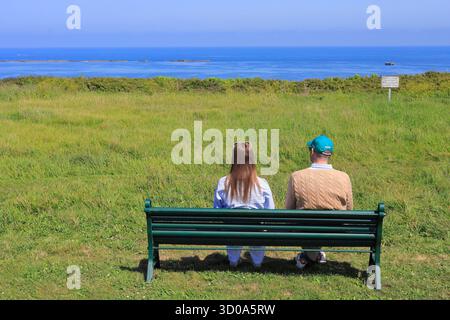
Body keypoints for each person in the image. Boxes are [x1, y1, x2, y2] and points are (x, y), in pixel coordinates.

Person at [285, 135, 353, 269]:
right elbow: (349, 209)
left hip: (304, 228)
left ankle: (309, 257)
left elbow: (288, 209)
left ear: (312, 151)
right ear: (329, 154)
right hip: (335, 229)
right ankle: (313, 256)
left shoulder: (297, 176)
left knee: (301, 221)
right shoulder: (344, 177)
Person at [214, 142, 275, 268]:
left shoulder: (223, 183)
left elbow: (216, 210)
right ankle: (257, 262)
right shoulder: (262, 184)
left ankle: (233, 261)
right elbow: (271, 211)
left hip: (232, 231)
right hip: (256, 231)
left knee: (232, 226)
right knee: (260, 227)